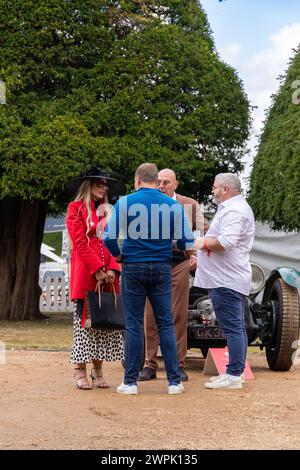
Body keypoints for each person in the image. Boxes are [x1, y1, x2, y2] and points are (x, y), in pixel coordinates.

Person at [104, 163, 195, 395]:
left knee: (134, 323)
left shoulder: (124, 202)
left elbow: (109, 238)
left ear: (137, 180)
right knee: (166, 322)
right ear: (157, 181)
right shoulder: (173, 206)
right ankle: (174, 381)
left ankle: (130, 382)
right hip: (163, 267)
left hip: (133, 266)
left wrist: (118, 256)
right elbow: (186, 240)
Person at [138, 168, 203, 383]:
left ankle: (178, 364)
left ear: (176, 184)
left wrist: (195, 254)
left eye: (166, 182)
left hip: (178, 263)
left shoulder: (190, 205)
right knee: (150, 315)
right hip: (154, 262)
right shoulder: (149, 202)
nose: (161, 186)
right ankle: (150, 364)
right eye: (159, 182)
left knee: (178, 314)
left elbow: (202, 232)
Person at [194, 173, 255, 390]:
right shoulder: (232, 209)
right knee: (234, 327)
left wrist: (201, 243)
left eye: (215, 188)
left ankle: (234, 375)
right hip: (224, 277)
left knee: (232, 328)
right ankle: (233, 372)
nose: (213, 191)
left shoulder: (235, 210)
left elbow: (227, 242)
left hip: (226, 279)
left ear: (226, 189)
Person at [66, 168, 125, 390]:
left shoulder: (104, 212)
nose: (103, 187)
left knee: (104, 324)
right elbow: (80, 241)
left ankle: (97, 369)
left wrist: (112, 268)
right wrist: (97, 269)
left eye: (105, 184)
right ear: (88, 185)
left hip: (106, 274)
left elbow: (109, 242)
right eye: (99, 183)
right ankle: (79, 369)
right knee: (84, 325)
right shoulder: (75, 208)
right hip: (86, 272)